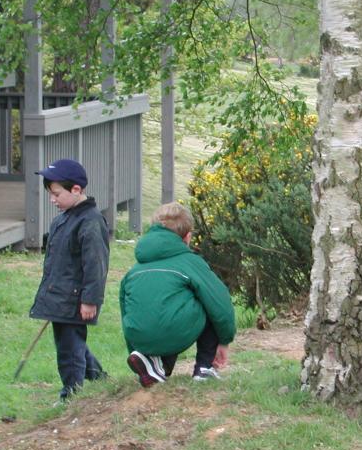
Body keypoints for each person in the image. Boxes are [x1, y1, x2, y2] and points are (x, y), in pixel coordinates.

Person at [120, 201, 235, 387]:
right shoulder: (190, 262)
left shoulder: (134, 270)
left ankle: (155, 365)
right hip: (172, 331)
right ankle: (204, 369)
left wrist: (134, 347)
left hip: (139, 337)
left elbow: (125, 310)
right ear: (187, 237)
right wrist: (224, 340)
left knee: (166, 306)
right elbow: (220, 302)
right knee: (204, 300)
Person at [29, 158, 110, 402]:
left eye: (56, 194)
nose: (53, 199)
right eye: (50, 194)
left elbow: (96, 265)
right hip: (59, 296)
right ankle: (98, 378)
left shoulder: (91, 221)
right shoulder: (64, 217)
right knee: (72, 342)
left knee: (69, 350)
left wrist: (90, 300)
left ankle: (71, 395)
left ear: (76, 189)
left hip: (75, 299)